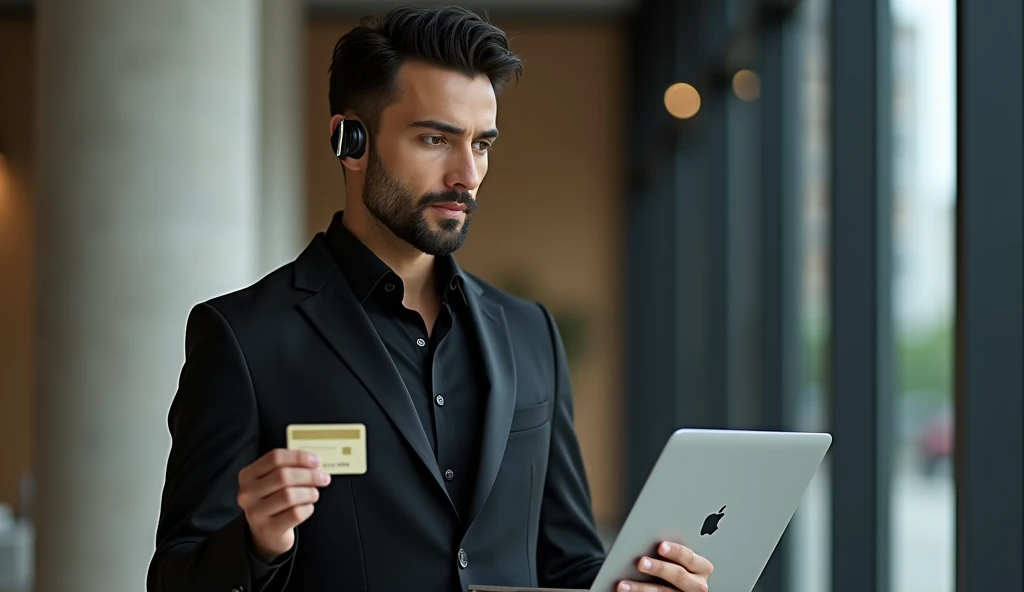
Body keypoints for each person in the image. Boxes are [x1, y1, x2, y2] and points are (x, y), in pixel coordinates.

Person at [146, 6, 713, 592]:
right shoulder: (245, 338)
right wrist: (258, 543)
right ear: (352, 141)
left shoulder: (530, 334)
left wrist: (638, 584)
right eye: (435, 139)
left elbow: (566, 562)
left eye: (482, 145)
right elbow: (173, 577)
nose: (466, 173)